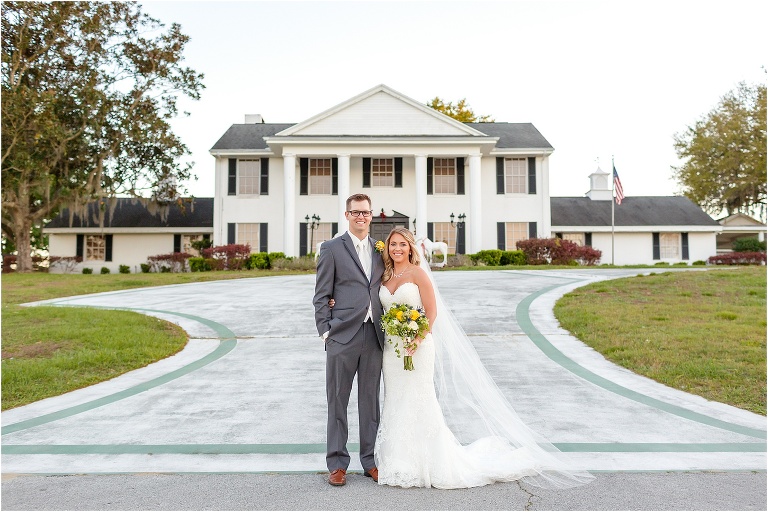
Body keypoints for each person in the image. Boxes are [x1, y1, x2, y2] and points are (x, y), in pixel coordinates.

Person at [371, 227, 595, 489]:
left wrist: (417, 338)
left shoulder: (418, 274)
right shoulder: (384, 276)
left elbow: (431, 312)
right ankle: (399, 462)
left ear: (411, 247)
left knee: (420, 399)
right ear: (387, 248)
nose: (397, 249)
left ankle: (429, 462)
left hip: (418, 348)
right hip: (392, 352)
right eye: (393, 244)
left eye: (402, 244)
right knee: (396, 400)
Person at [313, 193, 385, 487]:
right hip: (342, 335)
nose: (361, 217)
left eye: (365, 212)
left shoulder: (381, 250)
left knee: (370, 402)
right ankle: (338, 464)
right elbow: (320, 295)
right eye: (355, 212)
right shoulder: (331, 248)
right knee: (338, 400)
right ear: (347, 215)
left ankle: (369, 461)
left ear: (371, 215)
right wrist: (326, 331)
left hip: (373, 335)